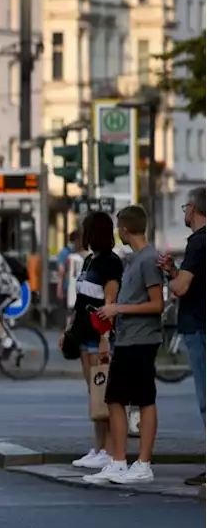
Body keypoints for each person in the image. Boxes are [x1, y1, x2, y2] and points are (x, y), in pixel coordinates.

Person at [85, 205, 163, 485]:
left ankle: (143, 464)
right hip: (127, 339)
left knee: (144, 399)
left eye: (119, 227)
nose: (118, 232)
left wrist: (119, 309)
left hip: (143, 339)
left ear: (126, 229)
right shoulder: (134, 259)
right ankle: (118, 461)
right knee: (115, 399)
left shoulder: (148, 259)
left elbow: (157, 305)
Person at [64, 211, 125, 470]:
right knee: (95, 395)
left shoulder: (110, 262)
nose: (80, 233)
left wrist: (104, 339)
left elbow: (110, 302)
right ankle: (99, 448)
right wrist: (69, 329)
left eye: (84, 228)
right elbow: (82, 302)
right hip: (83, 335)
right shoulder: (89, 260)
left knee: (105, 395)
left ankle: (111, 451)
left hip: (99, 338)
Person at [158, 185, 207, 485]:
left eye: (186, 206)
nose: (184, 212)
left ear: (196, 208)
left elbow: (182, 288)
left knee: (206, 401)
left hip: (199, 327)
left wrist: (172, 281)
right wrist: (174, 271)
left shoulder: (198, 243)